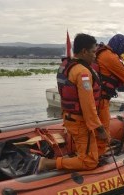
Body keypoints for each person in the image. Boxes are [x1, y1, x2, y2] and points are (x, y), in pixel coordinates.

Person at [37, 33, 109, 172]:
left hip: (69, 118)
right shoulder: (82, 72)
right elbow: (87, 105)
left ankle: (74, 157)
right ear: (84, 51)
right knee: (89, 162)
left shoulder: (66, 66)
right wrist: (99, 129)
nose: (95, 56)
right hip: (80, 123)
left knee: (87, 151)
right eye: (93, 52)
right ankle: (48, 163)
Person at [95, 34, 124, 154]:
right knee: (104, 126)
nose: (123, 51)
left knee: (99, 126)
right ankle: (100, 155)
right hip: (102, 100)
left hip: (97, 97)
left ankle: (99, 148)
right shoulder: (110, 57)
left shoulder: (100, 52)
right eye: (123, 48)